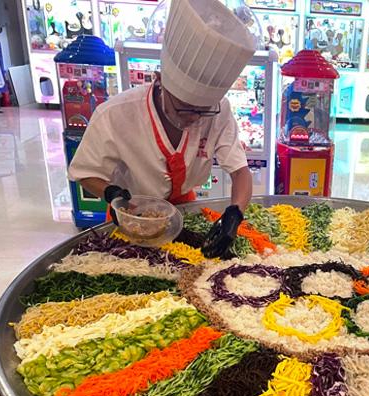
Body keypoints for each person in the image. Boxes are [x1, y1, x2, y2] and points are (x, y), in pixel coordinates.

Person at [68, 0, 258, 258]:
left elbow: (240, 171)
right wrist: (112, 194)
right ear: (159, 81)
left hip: (184, 211)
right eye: (184, 108)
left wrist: (235, 213)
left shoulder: (219, 110)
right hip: (132, 214)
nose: (194, 118)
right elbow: (85, 172)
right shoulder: (116, 113)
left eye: (203, 111)